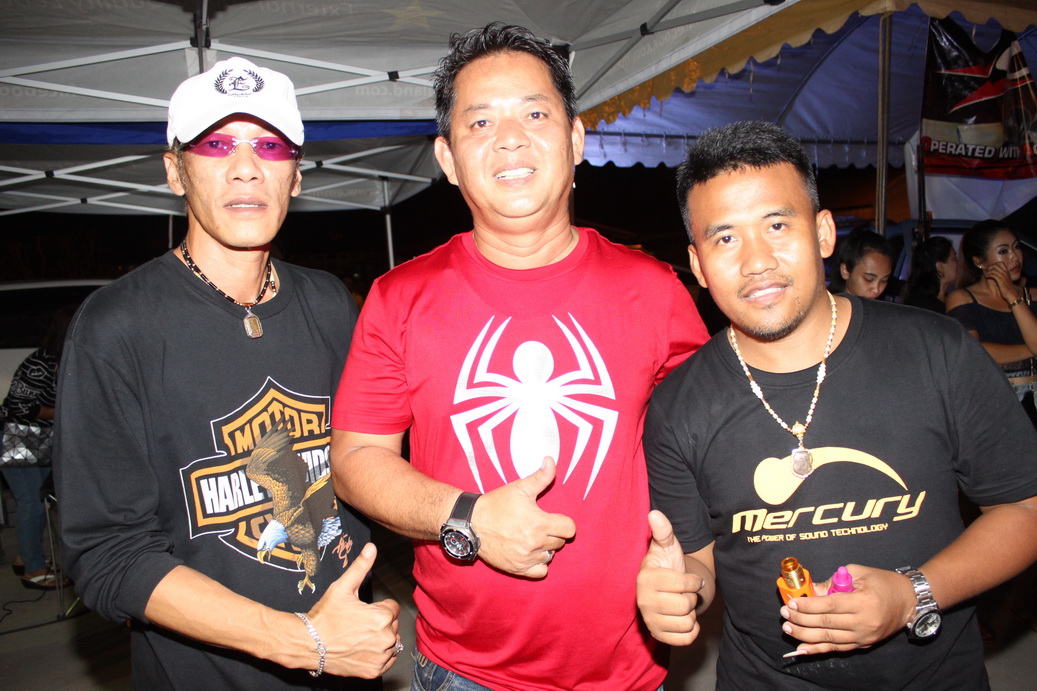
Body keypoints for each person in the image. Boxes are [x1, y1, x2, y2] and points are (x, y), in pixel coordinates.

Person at [330, 23, 708, 691]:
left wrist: (695, 576)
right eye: (481, 122)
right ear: (447, 159)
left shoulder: (655, 291)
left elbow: (709, 453)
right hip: (463, 670)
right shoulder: (399, 298)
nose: (509, 138)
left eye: (535, 114)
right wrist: (468, 515)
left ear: (575, 138)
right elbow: (357, 457)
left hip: (628, 670)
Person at [636, 121, 1037, 688]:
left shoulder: (936, 351)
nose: (756, 261)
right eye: (724, 239)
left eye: (777, 225)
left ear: (823, 233)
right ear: (698, 265)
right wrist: (679, 592)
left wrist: (912, 593)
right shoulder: (677, 407)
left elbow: (1025, 507)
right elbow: (697, 561)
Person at [54, 57, 400, 689]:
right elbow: (107, 554)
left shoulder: (330, 302)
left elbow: (369, 456)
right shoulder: (116, 326)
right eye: (216, 145)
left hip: (349, 663)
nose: (246, 167)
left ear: (296, 175)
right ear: (174, 171)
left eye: (270, 145)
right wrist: (301, 641)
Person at [1, 305, 76, 589]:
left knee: (44, 500)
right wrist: (63, 411)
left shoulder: (65, 358)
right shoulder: (40, 363)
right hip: (15, 439)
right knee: (31, 503)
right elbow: (18, 406)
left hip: (41, 442)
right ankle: (33, 570)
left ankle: (26, 557)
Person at [947, 219, 1037, 408]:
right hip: (996, 402)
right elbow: (974, 353)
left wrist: (1013, 296)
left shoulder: (1033, 295)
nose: (1015, 257)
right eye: (1003, 251)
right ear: (979, 261)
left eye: (1017, 247)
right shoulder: (963, 298)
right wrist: (1031, 349)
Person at [830, 226, 895, 299]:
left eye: (884, 280)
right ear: (845, 271)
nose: (876, 290)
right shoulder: (826, 305)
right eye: (869, 279)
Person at [904, 235, 958, 313]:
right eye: (954, 259)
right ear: (940, 266)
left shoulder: (950, 300)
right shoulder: (924, 306)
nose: (958, 264)